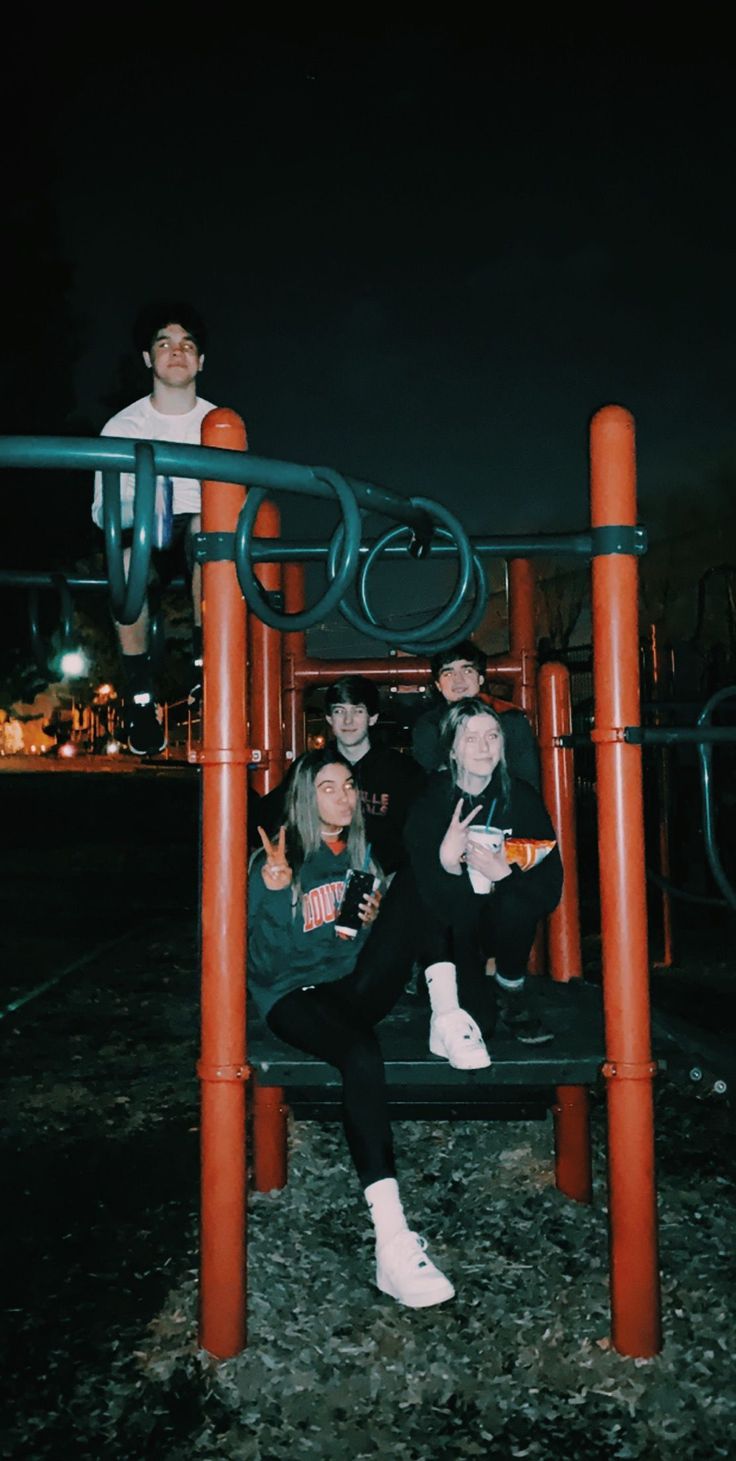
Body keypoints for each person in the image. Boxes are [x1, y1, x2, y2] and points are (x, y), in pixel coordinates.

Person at [248, 748, 454, 1309]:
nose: (343, 797)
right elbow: (264, 966)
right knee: (361, 1056)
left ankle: (448, 1010)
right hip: (292, 995)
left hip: (348, 985)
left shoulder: (362, 853)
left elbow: (346, 946)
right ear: (304, 798)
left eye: (348, 786)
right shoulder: (277, 855)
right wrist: (271, 892)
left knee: (417, 880)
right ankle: (392, 1241)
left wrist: (370, 922)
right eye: (328, 788)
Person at [405, 698, 563, 1063]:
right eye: (471, 738)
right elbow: (422, 896)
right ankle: (452, 981)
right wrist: (448, 862)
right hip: (452, 925)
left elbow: (550, 887)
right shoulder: (432, 800)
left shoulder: (520, 798)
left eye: (492, 736)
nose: (484, 746)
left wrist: (503, 875)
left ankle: (511, 984)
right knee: (481, 1025)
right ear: (453, 750)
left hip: (502, 925)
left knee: (516, 898)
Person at [91, 302, 216, 755]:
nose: (177, 353)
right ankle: (139, 693)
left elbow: (237, 503)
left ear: (201, 360)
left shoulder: (218, 422)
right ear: (149, 358)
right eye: (165, 344)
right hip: (146, 527)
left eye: (187, 345)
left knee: (210, 533)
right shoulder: (123, 426)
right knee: (126, 563)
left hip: (202, 532)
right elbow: (101, 510)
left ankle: (209, 669)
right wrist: (146, 509)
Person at [258, 675, 425, 876]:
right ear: (329, 718)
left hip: (387, 881)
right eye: (339, 711)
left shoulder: (403, 771)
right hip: (320, 879)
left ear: (372, 718)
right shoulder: (311, 767)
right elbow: (270, 816)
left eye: (358, 711)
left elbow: (421, 837)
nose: (348, 720)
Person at [411, 639, 541, 789]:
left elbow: (527, 780)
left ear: (480, 679)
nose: (458, 680)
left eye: (467, 671)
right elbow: (427, 784)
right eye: (448, 674)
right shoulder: (428, 725)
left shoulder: (509, 720)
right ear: (438, 685)